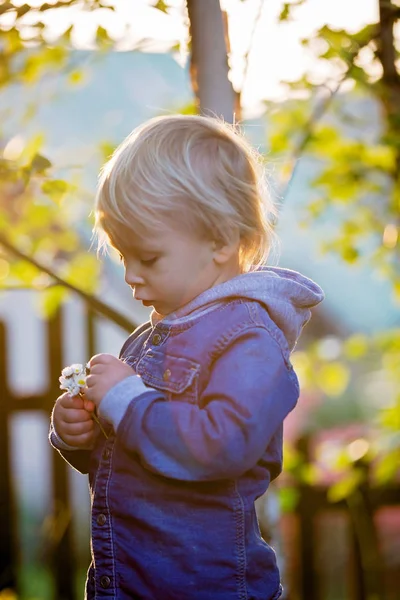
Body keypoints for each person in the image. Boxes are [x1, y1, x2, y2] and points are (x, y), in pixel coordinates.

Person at [49, 114, 324, 600]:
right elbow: (137, 456)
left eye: (148, 257)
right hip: (130, 581)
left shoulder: (248, 340)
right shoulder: (150, 336)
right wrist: (83, 434)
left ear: (220, 240)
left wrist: (127, 400)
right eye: (121, 254)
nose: (131, 274)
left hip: (207, 586)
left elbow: (220, 448)